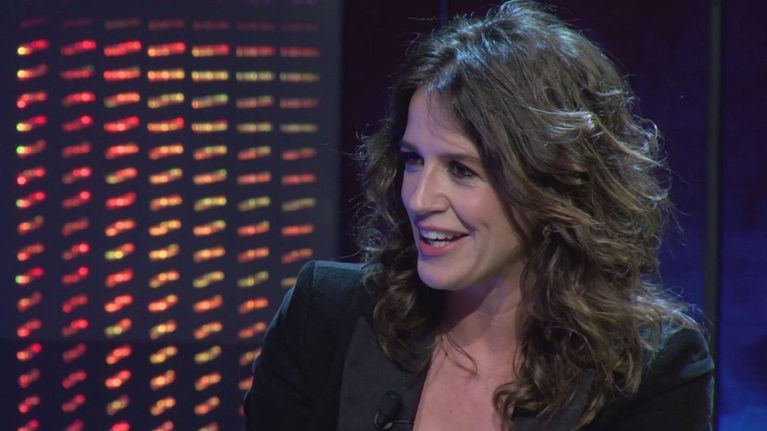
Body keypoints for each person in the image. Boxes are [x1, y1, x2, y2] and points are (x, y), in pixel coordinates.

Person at [243, 1, 714, 430]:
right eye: (413, 159)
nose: (420, 198)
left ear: (554, 179)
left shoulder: (650, 372)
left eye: (461, 169)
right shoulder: (323, 319)